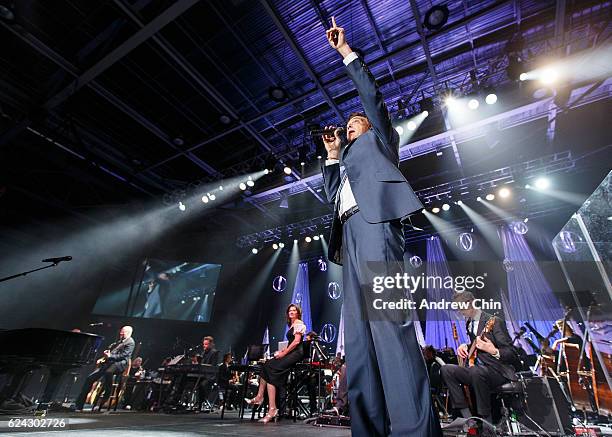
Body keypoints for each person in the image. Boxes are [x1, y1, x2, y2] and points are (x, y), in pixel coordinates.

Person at [321, 17, 440, 436]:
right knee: (358, 339)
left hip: (377, 229)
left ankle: (413, 429)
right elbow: (333, 196)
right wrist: (334, 156)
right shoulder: (349, 158)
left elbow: (372, 97)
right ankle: (367, 429)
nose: (350, 127)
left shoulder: (382, 141)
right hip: (350, 234)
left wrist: (346, 54)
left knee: (390, 327)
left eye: (355, 124)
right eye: (347, 127)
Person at [440, 292, 518, 426]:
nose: (460, 311)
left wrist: (492, 350)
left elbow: (511, 353)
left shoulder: (494, 321)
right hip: (477, 371)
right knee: (446, 369)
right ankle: (469, 420)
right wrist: (466, 346)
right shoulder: (469, 323)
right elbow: (477, 345)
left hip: (497, 371)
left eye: (461, 308)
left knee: (477, 371)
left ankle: (487, 423)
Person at [246, 304, 305, 423]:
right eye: (290, 310)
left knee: (270, 370)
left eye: (294, 310)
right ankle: (260, 397)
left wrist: (284, 354)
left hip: (297, 353)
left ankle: (271, 408)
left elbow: (296, 342)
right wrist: (281, 351)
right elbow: (290, 344)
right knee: (266, 365)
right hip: (290, 352)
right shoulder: (291, 324)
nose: (291, 312)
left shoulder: (299, 323)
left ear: (298, 313)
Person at [74, 325, 135, 411]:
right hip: (109, 363)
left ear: (128, 333)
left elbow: (124, 355)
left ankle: (107, 391)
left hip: (119, 364)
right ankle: (79, 405)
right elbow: (112, 351)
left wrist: (110, 356)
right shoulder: (119, 342)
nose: (120, 333)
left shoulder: (130, 342)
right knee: (89, 378)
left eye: (122, 332)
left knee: (108, 372)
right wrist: (105, 356)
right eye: (121, 331)